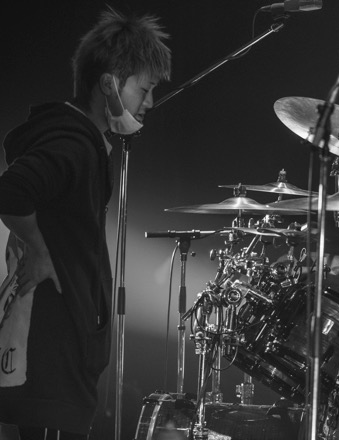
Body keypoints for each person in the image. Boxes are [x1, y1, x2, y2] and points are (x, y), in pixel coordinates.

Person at [0, 7, 171, 439]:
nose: (150, 102)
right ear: (109, 84)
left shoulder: (81, 140)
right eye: (144, 88)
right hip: (54, 353)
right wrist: (38, 250)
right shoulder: (73, 143)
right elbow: (10, 191)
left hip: (53, 352)